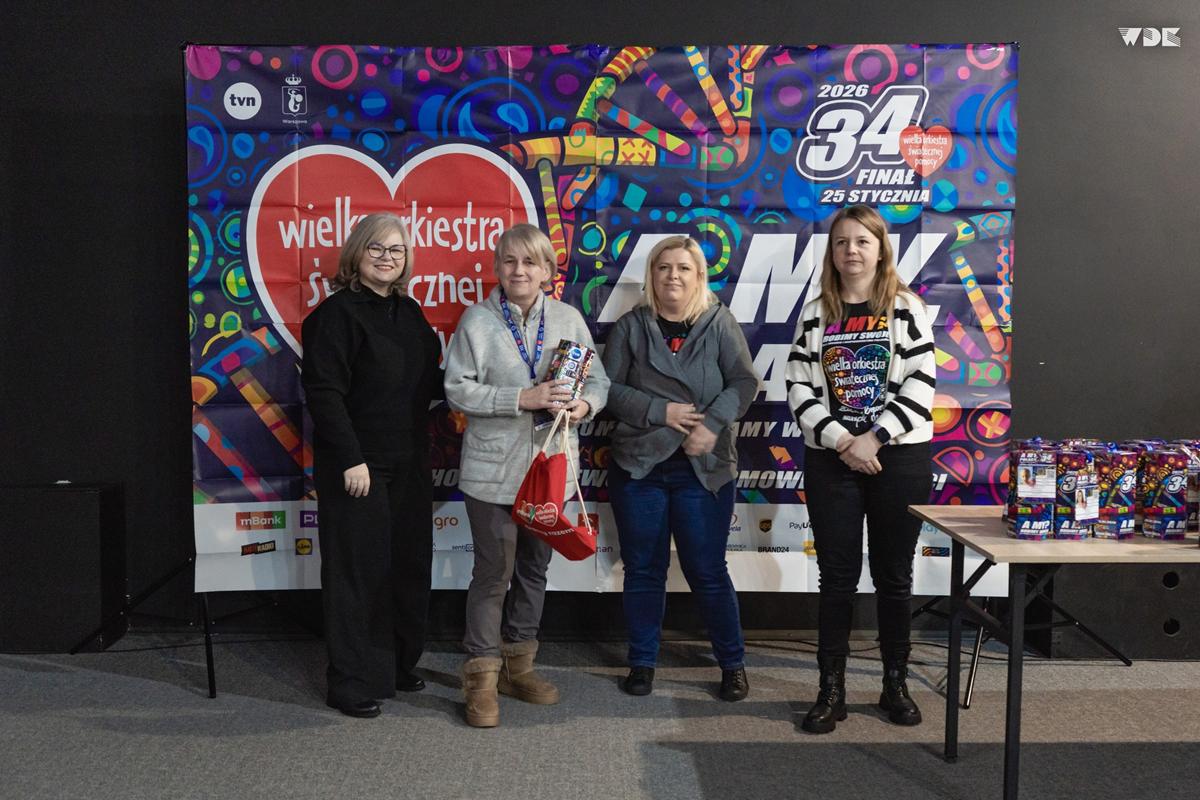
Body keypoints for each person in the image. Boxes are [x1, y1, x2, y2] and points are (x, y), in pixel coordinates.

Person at [443, 223, 609, 728]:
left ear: (547, 271)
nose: (519, 271)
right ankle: (481, 678)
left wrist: (584, 406)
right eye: (510, 261)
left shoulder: (568, 319)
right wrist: (522, 398)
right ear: (497, 268)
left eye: (530, 262)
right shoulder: (476, 321)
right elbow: (456, 389)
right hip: (491, 472)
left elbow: (598, 381)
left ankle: (520, 666)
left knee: (535, 569)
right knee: (494, 573)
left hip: (551, 469)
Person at [785, 204, 936, 733]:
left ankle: (895, 684)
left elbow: (922, 382)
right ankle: (831, 691)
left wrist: (874, 437)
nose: (851, 250)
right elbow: (797, 386)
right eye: (842, 242)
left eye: (862, 241)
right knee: (837, 578)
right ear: (831, 251)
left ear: (880, 250)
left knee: (894, 576)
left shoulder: (906, 307)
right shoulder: (816, 312)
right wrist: (844, 441)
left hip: (899, 457)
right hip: (833, 460)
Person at [602, 235, 758, 701]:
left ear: (699, 276)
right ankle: (642, 661)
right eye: (663, 267)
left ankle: (732, 664)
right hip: (640, 468)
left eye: (683, 268)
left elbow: (744, 381)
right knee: (643, 569)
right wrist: (660, 411)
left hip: (703, 469)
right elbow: (606, 389)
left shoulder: (719, 322)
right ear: (651, 275)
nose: (673, 276)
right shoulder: (631, 326)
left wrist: (711, 424)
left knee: (707, 570)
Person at [300, 212, 442, 719]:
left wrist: (490, 388)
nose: (387, 257)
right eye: (376, 248)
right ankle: (350, 681)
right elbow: (324, 393)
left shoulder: (410, 313)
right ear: (356, 254)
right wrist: (351, 458)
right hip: (357, 465)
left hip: (410, 460)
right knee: (356, 573)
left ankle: (396, 665)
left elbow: (431, 384)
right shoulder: (335, 315)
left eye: (396, 250)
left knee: (407, 565)